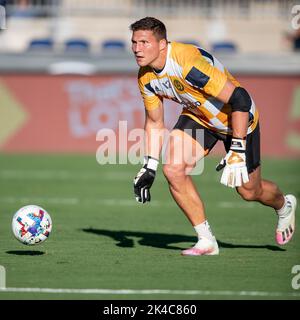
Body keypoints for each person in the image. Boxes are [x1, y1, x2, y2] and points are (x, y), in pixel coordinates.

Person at [130, 17, 297, 256]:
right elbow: (155, 122)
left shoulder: (188, 64)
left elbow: (240, 98)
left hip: (237, 119)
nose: (137, 48)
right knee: (173, 169)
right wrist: (149, 165)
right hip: (200, 118)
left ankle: (284, 205)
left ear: (163, 44)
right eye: (134, 42)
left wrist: (237, 150)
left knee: (249, 191)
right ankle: (206, 241)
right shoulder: (145, 76)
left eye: (144, 42)